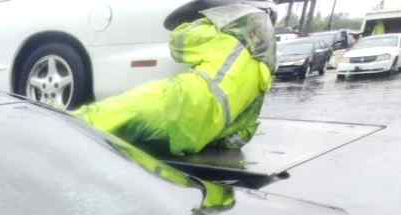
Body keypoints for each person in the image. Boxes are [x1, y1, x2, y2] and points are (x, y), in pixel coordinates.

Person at [75, 0, 277, 157]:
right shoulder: (265, 68)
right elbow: (242, 133)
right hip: (195, 136)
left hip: (183, 102)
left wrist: (201, 21)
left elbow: (178, 44)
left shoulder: (223, 37)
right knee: (132, 129)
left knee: (106, 114)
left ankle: (61, 134)